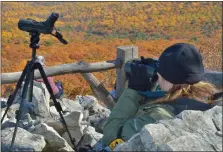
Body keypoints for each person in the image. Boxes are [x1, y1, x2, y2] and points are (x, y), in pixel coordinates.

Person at [101, 43, 222, 150]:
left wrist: (133, 91)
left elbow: (111, 137)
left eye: (158, 76)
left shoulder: (157, 116)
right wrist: (151, 85)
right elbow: (168, 93)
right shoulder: (209, 98)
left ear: (169, 79)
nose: (157, 80)